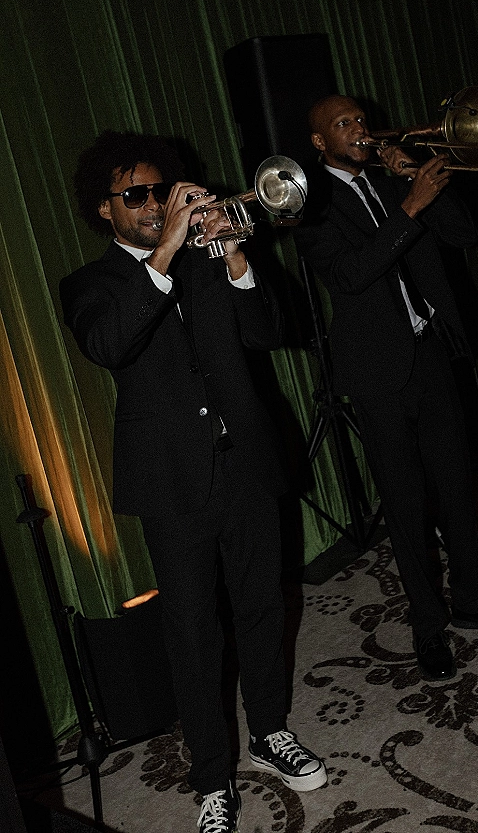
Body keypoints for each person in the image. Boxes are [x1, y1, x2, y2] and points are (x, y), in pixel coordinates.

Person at [60, 130, 326, 833]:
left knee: (264, 606)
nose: (152, 204)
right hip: (173, 485)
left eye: (159, 190)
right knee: (192, 633)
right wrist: (168, 249)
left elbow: (277, 329)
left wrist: (236, 254)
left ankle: (271, 733)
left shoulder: (213, 264)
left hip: (245, 465)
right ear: (105, 213)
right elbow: (110, 344)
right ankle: (211, 778)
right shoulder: (91, 286)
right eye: (135, 196)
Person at [294, 95, 478, 683]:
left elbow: (468, 233)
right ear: (320, 144)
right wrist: (410, 205)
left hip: (430, 351)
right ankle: (429, 628)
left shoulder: (388, 180)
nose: (359, 130)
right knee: (405, 505)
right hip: (376, 373)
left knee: (458, 484)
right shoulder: (309, 205)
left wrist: (424, 185)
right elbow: (351, 275)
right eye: (343, 125)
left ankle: (475, 603)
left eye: (359, 120)